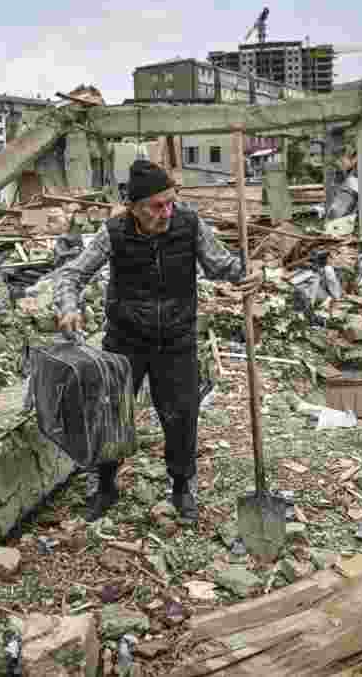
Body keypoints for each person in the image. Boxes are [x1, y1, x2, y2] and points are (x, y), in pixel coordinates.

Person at [54, 160, 260, 524]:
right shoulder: (113, 232)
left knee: (181, 416)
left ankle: (182, 487)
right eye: (156, 206)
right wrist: (69, 307)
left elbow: (220, 266)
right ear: (133, 207)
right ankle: (104, 485)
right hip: (126, 341)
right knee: (110, 414)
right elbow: (72, 273)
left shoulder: (189, 224)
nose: (166, 212)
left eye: (170, 202)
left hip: (177, 340)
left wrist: (247, 272)